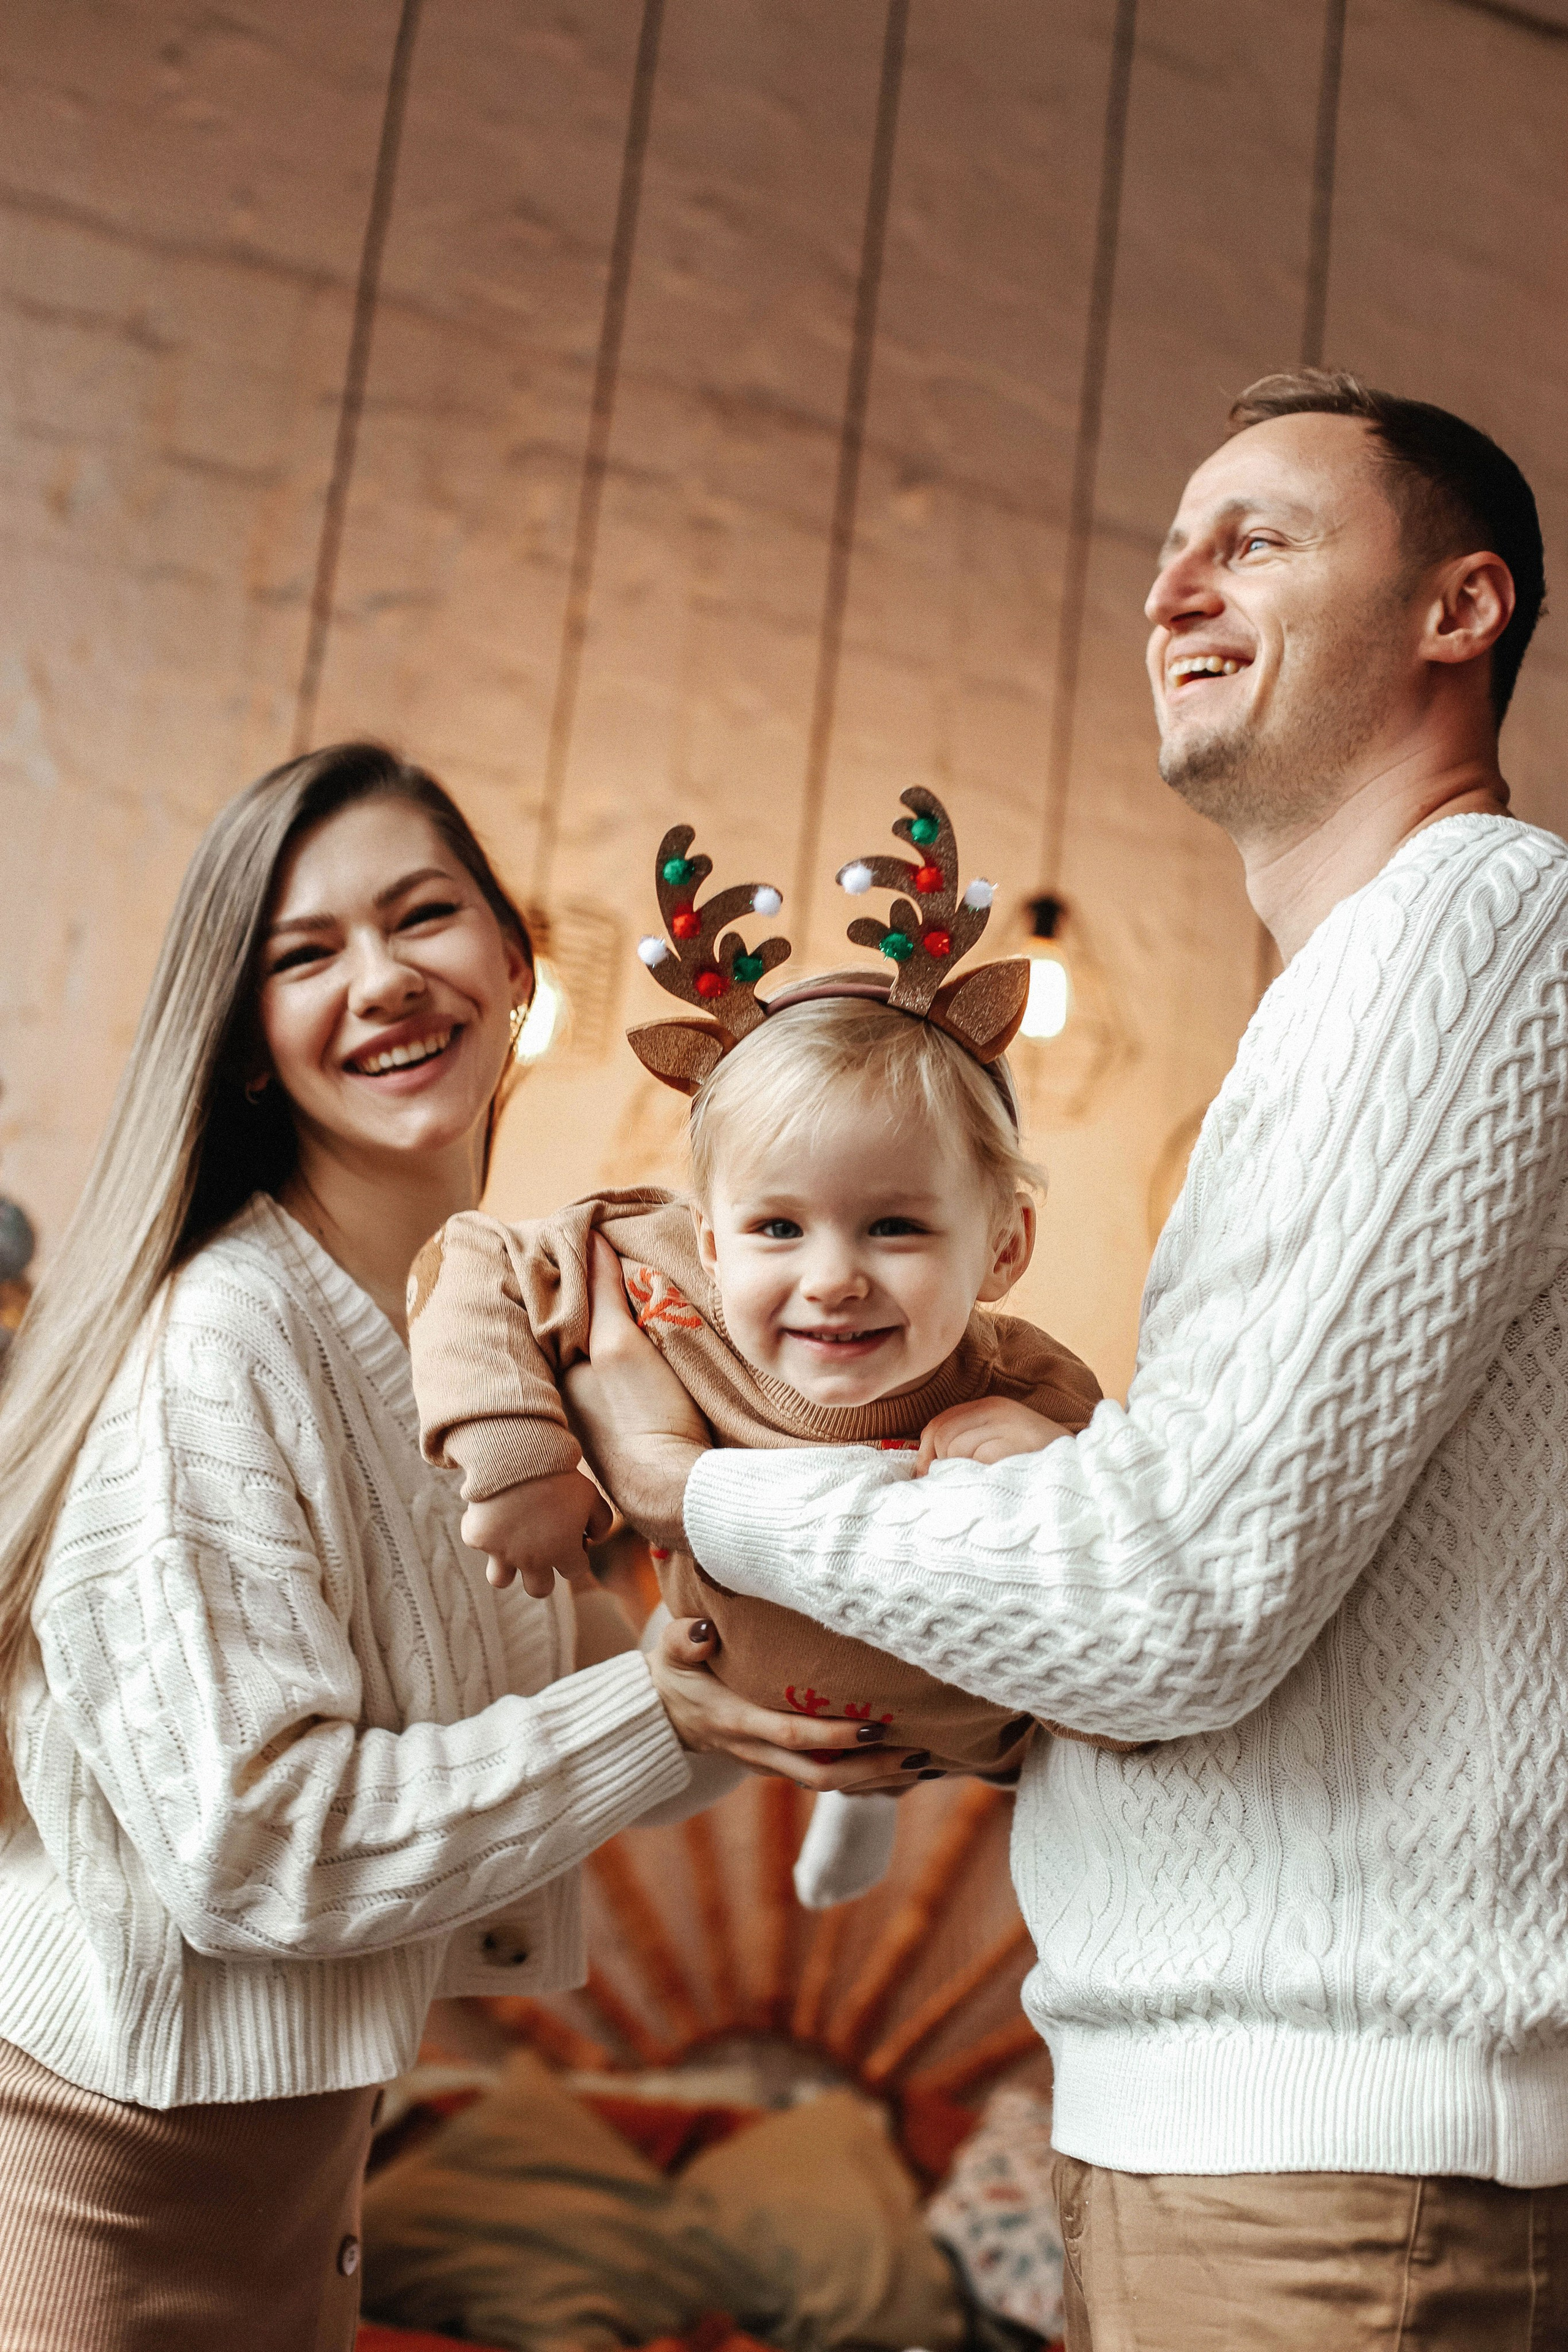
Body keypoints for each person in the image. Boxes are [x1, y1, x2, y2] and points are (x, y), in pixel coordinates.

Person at [559, 372, 1568, 2347]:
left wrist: (703, 1493)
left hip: (1336, 2166)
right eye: (1168, 550)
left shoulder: (1472, 926)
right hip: (1217, 2133)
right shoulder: (1357, 987)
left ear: (1464, 610)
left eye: (1257, 537)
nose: (1175, 586)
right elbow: (1249, 1624)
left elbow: (1179, 1595)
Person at [0, 741, 896, 2352]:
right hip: (85, 2185)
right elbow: (260, 1845)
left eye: (423, 917)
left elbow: (555, 1727)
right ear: (252, 1042)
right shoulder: (227, 1345)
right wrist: (668, 1710)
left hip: (287, 2170)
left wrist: (804, 1687)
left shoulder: (478, 1350)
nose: (384, 980)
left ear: (515, 964)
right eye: (304, 953)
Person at [401, 799, 1112, 1894]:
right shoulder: (653, 1276)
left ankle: (874, 1795)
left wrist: (1043, 1466)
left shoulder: (1024, 1383)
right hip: (726, 1676)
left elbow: (1123, 1544)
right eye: (778, 1228)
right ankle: (853, 1792)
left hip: (958, 1732)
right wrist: (517, 1456)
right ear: (709, 1241)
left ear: (1005, 1248)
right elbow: (469, 1260)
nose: (833, 1277)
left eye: (897, 1226)